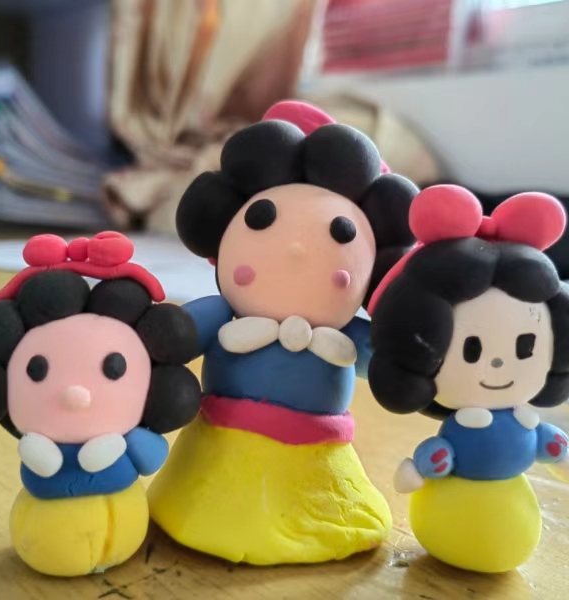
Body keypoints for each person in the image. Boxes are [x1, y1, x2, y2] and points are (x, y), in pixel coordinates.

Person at [147, 101, 417, 564]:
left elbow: (391, 363)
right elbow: (175, 335)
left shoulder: (347, 334)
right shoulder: (224, 313)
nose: (295, 249)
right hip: (221, 446)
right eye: (261, 219)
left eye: (340, 233)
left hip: (317, 453)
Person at [0, 232, 201, 576]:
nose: (75, 394)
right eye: (37, 370)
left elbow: (151, 458)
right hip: (46, 528)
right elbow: (36, 473)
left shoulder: (129, 435)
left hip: (124, 517)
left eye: (113, 369)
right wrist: (39, 452)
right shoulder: (39, 443)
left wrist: (118, 445)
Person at [367, 185, 569, 572]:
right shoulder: (460, 425)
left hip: (511, 505)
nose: (499, 364)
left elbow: (541, 439)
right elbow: (442, 452)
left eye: (525, 347)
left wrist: (556, 450)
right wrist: (423, 466)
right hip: (449, 510)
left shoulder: (523, 419)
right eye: (470, 350)